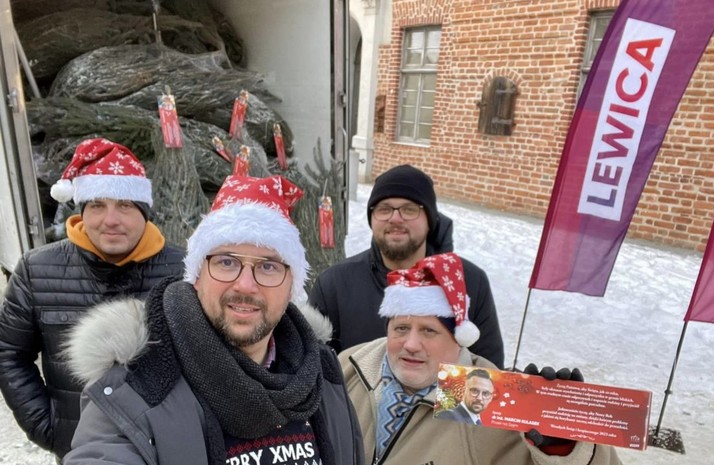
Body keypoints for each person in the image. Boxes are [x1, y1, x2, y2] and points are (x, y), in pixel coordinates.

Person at [62, 174, 364, 465]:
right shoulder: (138, 386)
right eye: (226, 262)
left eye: (268, 267)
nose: (245, 285)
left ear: (291, 287)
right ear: (197, 276)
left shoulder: (320, 372)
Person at [339, 253, 622, 465]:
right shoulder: (350, 365)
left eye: (429, 331)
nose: (411, 345)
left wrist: (563, 446)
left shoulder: (485, 395)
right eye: (401, 328)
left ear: (458, 339)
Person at [0, 138, 185, 460]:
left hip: (168, 448)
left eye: (125, 205)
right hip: (80, 450)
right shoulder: (36, 270)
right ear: (82, 211)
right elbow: (9, 353)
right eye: (97, 205)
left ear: (145, 212)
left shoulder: (185, 270)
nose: (110, 220)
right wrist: (49, 427)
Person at [310, 164, 504, 367]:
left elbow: (488, 371)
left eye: (409, 210)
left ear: (429, 221)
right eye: (384, 209)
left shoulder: (470, 281)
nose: (395, 218)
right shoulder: (334, 284)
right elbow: (312, 369)